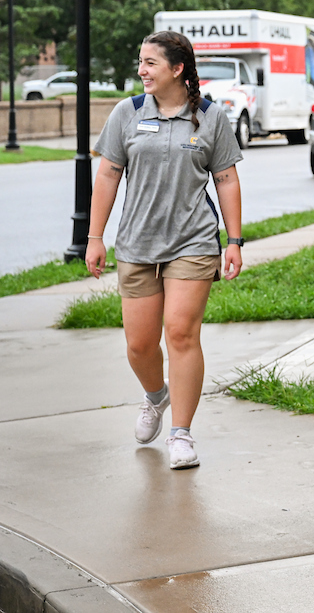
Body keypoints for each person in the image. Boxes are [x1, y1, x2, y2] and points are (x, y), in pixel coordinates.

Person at [86, 30, 244, 470]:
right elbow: (108, 176)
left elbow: (226, 180)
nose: (142, 70)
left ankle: (181, 434)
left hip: (193, 241)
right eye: (141, 61)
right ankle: (157, 397)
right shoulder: (128, 112)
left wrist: (234, 241)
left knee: (180, 333)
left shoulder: (209, 117)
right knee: (139, 345)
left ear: (177, 69)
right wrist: (95, 237)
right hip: (137, 243)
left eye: (150, 63)